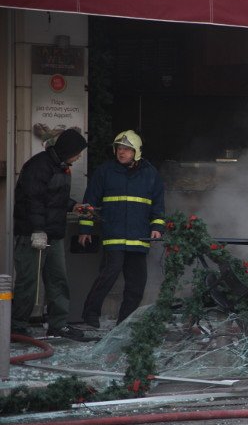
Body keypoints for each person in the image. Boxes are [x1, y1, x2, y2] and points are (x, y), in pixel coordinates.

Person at [78, 130, 166, 327]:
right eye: (119, 148)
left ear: (136, 152)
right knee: (107, 277)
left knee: (136, 285)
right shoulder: (105, 171)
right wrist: (85, 229)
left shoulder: (150, 174)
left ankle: (124, 323)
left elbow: (158, 205)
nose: (121, 152)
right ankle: (90, 316)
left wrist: (157, 227)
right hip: (114, 235)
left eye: (127, 149)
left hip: (139, 237)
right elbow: (89, 202)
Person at [12, 128, 88, 339]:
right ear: (68, 150)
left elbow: (56, 200)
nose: (79, 156)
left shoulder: (62, 167)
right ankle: (16, 326)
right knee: (29, 282)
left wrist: (73, 206)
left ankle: (59, 323)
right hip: (32, 236)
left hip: (53, 235)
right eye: (77, 152)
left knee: (58, 279)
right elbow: (33, 201)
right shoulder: (39, 166)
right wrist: (37, 230)